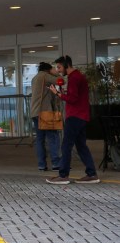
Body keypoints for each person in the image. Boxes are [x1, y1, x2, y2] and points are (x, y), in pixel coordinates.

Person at [46, 55, 99, 184]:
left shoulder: (74, 78)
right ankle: (92, 174)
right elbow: (75, 96)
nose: (58, 70)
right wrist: (64, 92)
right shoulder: (78, 76)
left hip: (74, 116)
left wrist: (58, 94)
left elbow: (73, 99)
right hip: (81, 116)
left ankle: (63, 175)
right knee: (81, 146)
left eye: (59, 67)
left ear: (66, 65)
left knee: (66, 145)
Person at [30, 62, 61, 171]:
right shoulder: (45, 76)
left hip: (35, 112)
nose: (55, 69)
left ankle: (41, 165)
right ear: (48, 69)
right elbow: (61, 81)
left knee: (40, 139)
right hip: (45, 112)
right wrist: (56, 73)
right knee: (53, 137)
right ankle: (56, 163)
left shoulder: (35, 78)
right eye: (52, 68)